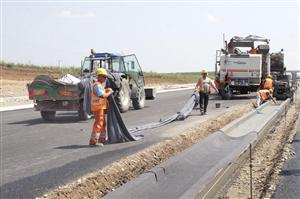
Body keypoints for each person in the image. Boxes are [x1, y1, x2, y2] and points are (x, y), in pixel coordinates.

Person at [89, 68, 113, 146]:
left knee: (103, 123)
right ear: (99, 76)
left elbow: (102, 92)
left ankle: (101, 139)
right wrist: (109, 92)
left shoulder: (99, 85)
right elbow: (102, 95)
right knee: (99, 123)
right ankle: (94, 141)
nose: (105, 78)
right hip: (97, 108)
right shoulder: (97, 85)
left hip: (100, 107)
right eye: (104, 77)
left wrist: (106, 90)